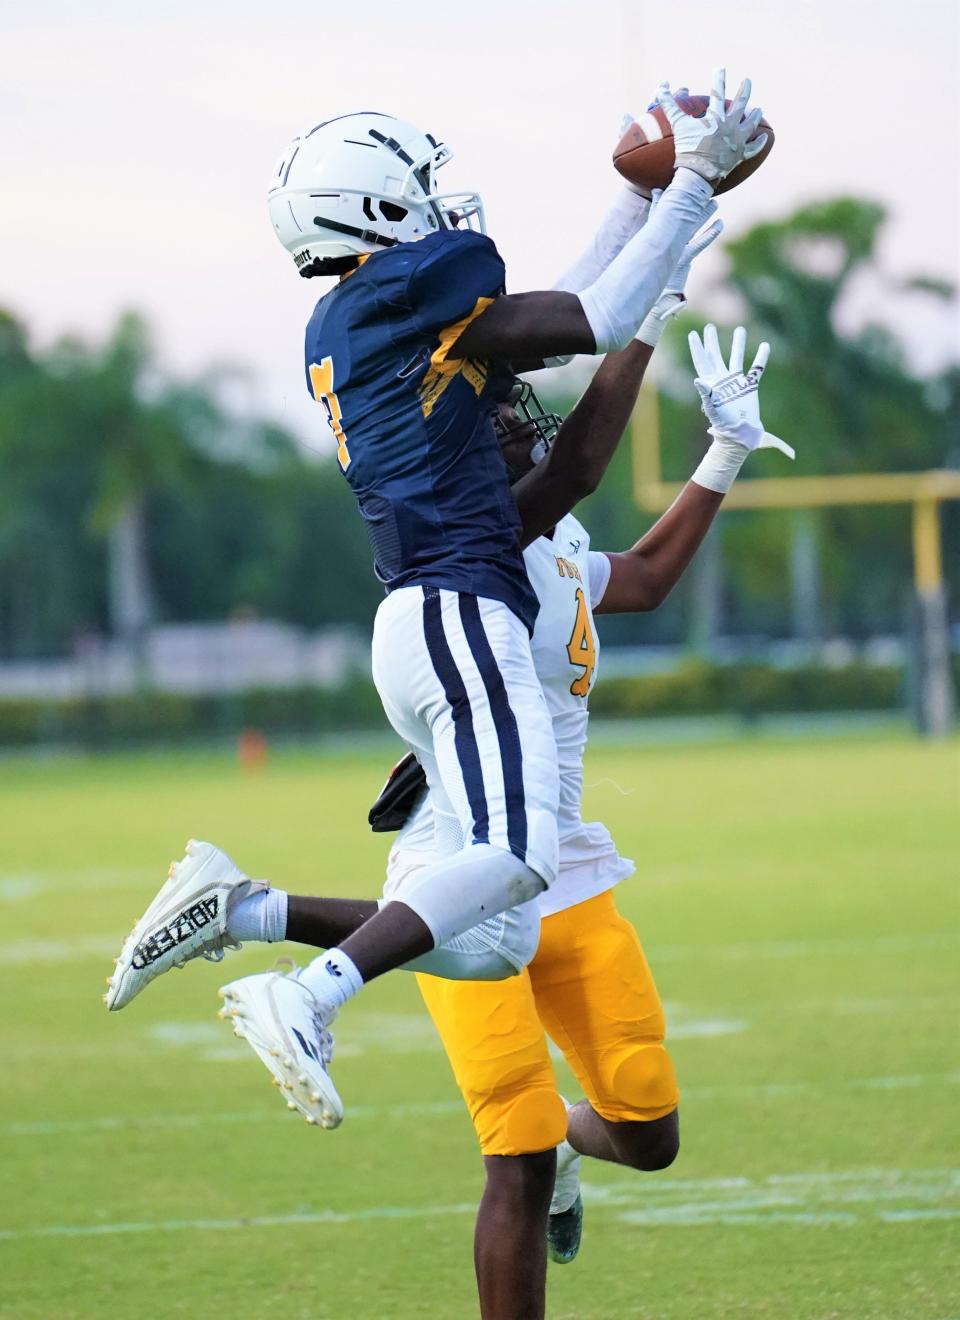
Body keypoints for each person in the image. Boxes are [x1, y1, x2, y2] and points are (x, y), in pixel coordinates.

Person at [105, 76, 768, 1134]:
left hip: (431, 620)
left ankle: (248, 911)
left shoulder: (366, 316)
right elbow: (592, 319)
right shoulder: (393, 298)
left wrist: (646, 218)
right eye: (415, 185)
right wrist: (687, 187)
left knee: (498, 929)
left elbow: (556, 331)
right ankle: (307, 995)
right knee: (517, 859)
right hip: (459, 609)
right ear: (368, 207)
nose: (439, 203)